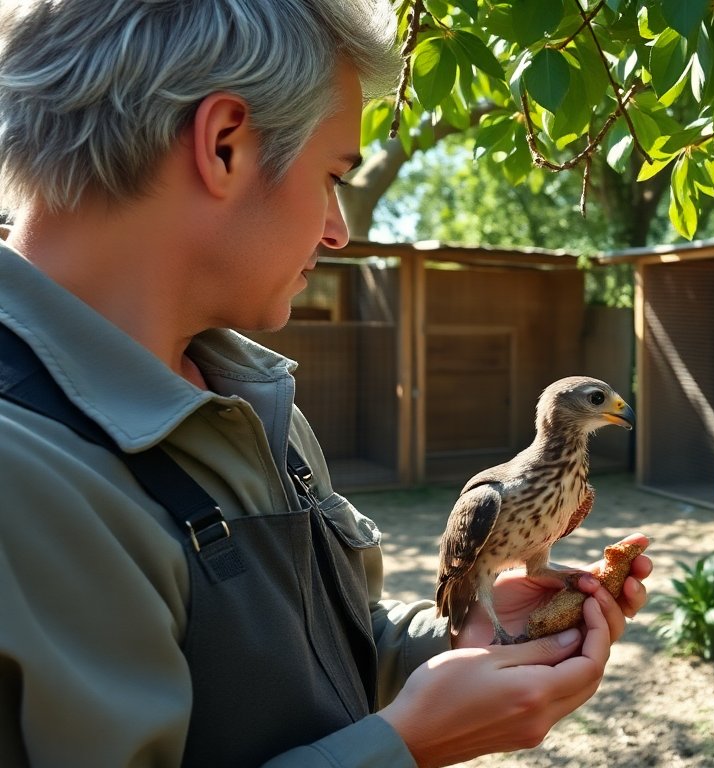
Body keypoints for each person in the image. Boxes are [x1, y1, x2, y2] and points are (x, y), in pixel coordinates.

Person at [0, 1, 652, 766]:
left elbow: (317, 659)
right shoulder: (22, 474)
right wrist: (409, 745)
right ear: (224, 144)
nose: (339, 229)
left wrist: (454, 641)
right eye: (334, 176)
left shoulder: (256, 400)